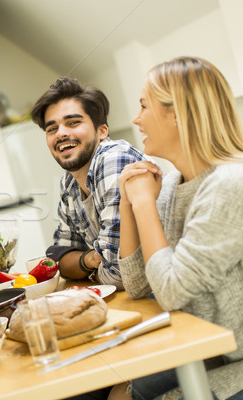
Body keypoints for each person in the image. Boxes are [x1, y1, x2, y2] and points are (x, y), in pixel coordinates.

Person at [116, 56, 243, 399]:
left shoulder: (229, 185)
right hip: (205, 349)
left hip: (235, 359)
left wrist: (144, 204)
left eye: (144, 106)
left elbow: (170, 291)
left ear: (176, 113)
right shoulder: (172, 185)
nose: (135, 119)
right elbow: (138, 283)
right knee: (123, 390)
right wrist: (128, 203)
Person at [31, 78, 148, 289]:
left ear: (102, 131)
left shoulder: (113, 159)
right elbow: (58, 261)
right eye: (52, 129)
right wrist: (90, 260)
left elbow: (118, 275)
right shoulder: (69, 182)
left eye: (73, 123)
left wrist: (87, 270)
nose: (61, 133)